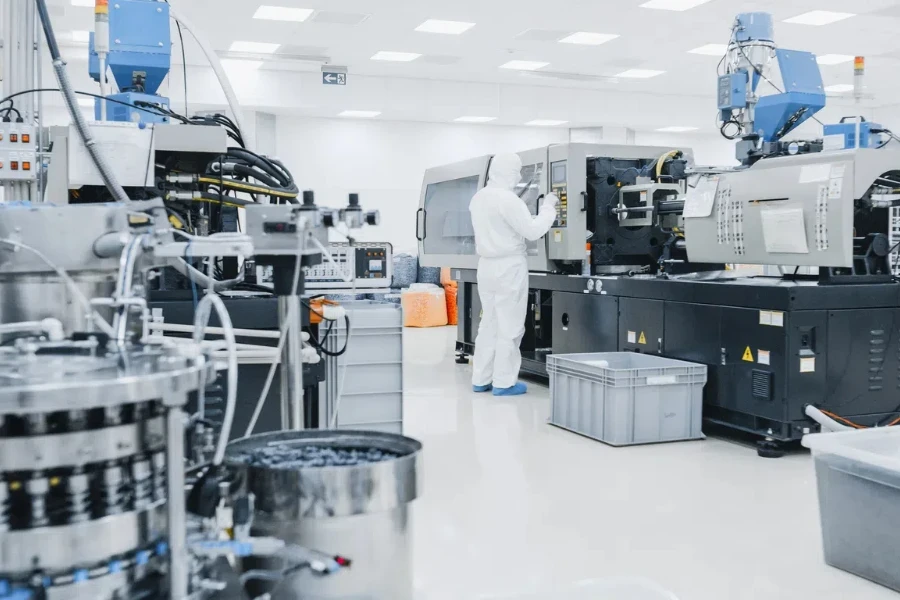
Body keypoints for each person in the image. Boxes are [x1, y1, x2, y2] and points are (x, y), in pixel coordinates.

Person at [469, 153, 560, 396]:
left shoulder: (479, 198)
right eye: (517, 171)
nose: (520, 176)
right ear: (509, 173)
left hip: (486, 266)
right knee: (510, 326)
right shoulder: (508, 200)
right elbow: (532, 231)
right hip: (509, 266)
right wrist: (549, 207)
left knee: (489, 323)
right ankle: (504, 383)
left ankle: (481, 379)